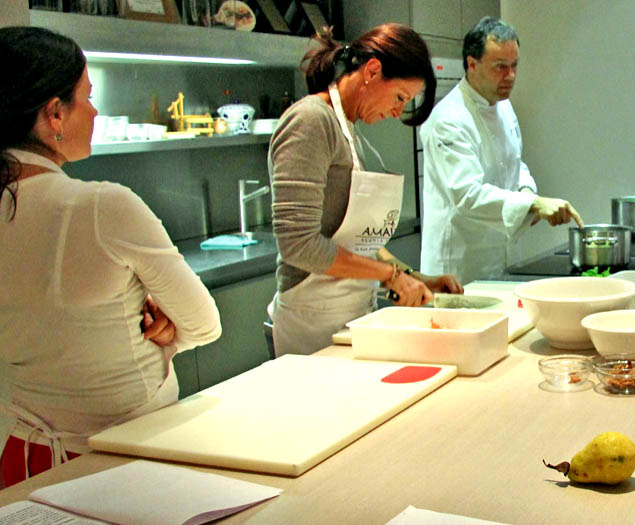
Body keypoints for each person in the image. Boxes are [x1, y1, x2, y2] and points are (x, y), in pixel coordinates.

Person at [0, 27, 222, 487]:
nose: (95, 111)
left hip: (23, 458)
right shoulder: (102, 206)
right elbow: (204, 323)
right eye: (87, 97)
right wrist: (165, 331)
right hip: (123, 455)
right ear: (55, 113)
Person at [269, 24, 462, 357]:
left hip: (351, 316)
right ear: (372, 71)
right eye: (400, 97)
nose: (398, 112)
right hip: (311, 324)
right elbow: (298, 245)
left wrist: (413, 277)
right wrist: (389, 276)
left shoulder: (346, 128)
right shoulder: (311, 121)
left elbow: (358, 243)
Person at [419, 17, 584, 284]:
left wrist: (527, 191)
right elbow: (467, 195)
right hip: (459, 266)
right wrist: (533, 204)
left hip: (502, 256)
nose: (511, 76)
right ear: (472, 64)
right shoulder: (448, 119)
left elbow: (513, 162)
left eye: (514, 65)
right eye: (500, 67)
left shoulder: (502, 105)